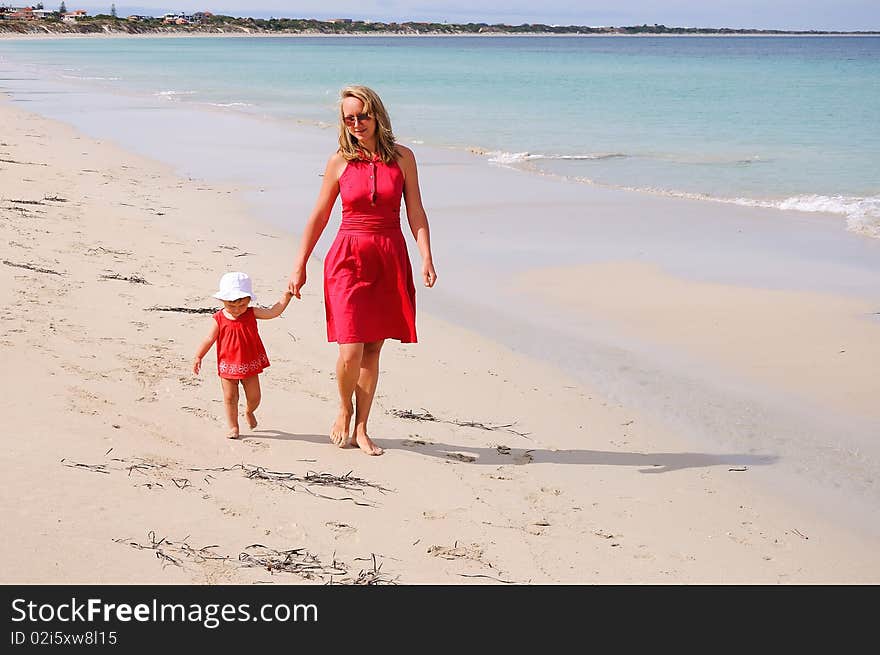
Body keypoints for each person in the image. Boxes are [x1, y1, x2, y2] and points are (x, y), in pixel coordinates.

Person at [288, 85, 437, 456]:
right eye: (349, 118)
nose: (357, 123)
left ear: (378, 115)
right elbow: (320, 215)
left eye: (363, 116)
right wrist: (300, 264)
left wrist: (426, 256)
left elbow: (415, 211)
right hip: (347, 258)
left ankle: (363, 427)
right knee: (350, 348)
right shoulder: (339, 161)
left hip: (388, 256)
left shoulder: (404, 158)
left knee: (373, 349)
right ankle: (343, 407)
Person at [193, 271, 294, 439]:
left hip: (250, 363)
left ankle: (249, 411)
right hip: (228, 364)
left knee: (255, 397)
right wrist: (199, 356)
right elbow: (209, 338)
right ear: (222, 301)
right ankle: (233, 426)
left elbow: (273, 312)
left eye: (242, 305)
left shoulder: (252, 313)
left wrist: (287, 297)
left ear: (248, 300)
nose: (237, 310)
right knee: (230, 397)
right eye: (231, 306)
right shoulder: (218, 318)